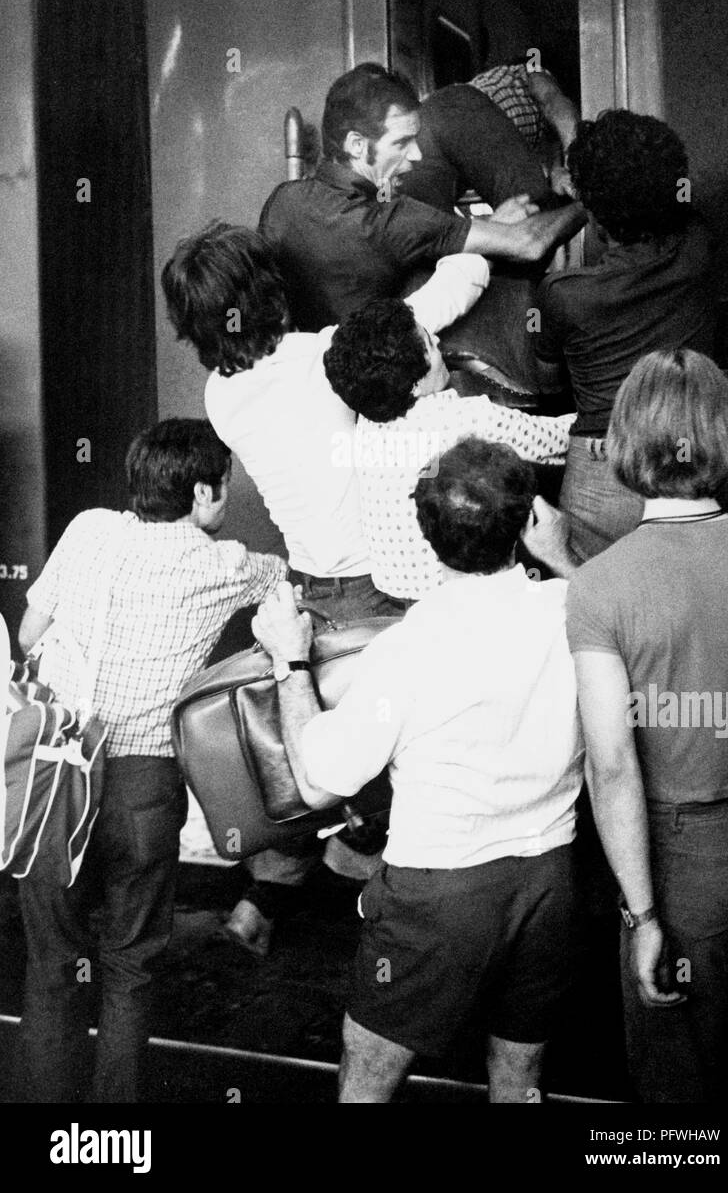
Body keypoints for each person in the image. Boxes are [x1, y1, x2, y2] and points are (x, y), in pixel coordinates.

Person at [161, 221, 492, 949]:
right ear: (264, 293)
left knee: (304, 757)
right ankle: (365, 869)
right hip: (378, 594)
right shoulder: (322, 358)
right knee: (395, 760)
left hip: (308, 592)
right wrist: (471, 231)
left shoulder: (221, 396)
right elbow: (456, 286)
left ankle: (259, 908)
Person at [251, 437, 584, 1102]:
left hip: (440, 893)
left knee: (367, 1080)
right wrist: (561, 554)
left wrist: (289, 660)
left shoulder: (407, 650)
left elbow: (317, 782)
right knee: (519, 1081)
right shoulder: (575, 611)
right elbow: (613, 616)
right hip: (551, 877)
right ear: (529, 520)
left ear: (428, 536)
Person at [13, 419, 286, 1102]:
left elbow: (28, 630)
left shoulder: (88, 530)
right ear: (201, 492)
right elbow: (287, 588)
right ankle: (116, 1139)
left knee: (52, 964)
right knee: (132, 965)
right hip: (143, 785)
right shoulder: (223, 566)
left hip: (56, 774)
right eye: (223, 488)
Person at [566, 349, 728, 1102]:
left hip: (684, 859)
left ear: (624, 441)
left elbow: (612, 765)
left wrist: (643, 914)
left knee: (677, 1086)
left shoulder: (598, 589)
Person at [259, 62, 587, 330]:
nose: (416, 155)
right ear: (356, 145)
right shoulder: (393, 220)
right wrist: (590, 201)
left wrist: (485, 228)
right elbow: (529, 244)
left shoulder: (282, 202)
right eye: (401, 143)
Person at [534, 109, 716, 562]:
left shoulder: (562, 295)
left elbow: (547, 385)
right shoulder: (699, 249)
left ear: (594, 213)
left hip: (603, 468)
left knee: (598, 612)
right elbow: (673, 205)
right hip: (686, 458)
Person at [323, 297, 574, 601]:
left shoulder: (367, 421)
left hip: (392, 595)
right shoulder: (459, 418)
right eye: (430, 342)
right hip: (453, 595)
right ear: (414, 384)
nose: (440, 340)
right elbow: (557, 440)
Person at [402, 61, 579, 216]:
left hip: (434, 125)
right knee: (536, 215)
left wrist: (559, 170)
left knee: (427, 230)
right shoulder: (529, 73)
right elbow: (555, 104)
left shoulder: (544, 136)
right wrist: (579, 169)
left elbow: (554, 139)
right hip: (460, 111)